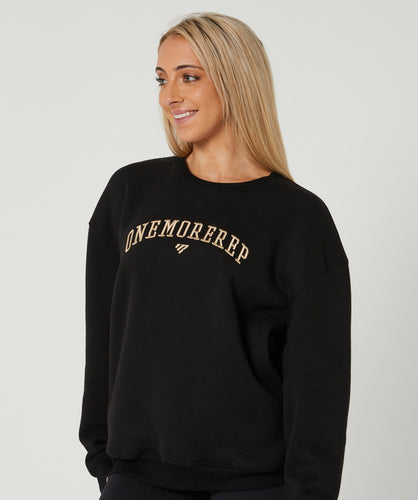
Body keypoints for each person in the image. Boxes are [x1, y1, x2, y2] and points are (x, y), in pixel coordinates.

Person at [78, 11, 351, 500]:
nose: (169, 95)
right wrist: (102, 457)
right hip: (138, 478)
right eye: (162, 79)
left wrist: (309, 492)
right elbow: (104, 333)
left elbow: (320, 379)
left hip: (255, 485)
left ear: (235, 80)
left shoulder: (298, 218)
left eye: (189, 77)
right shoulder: (130, 192)